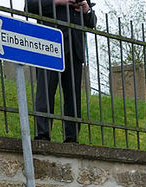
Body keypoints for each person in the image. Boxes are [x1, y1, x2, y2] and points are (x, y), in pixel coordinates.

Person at [25, 0, 97, 143]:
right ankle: (42, 135)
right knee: (45, 91)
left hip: (75, 49)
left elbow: (92, 22)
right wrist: (58, 1)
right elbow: (30, 7)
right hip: (49, 46)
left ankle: (72, 138)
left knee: (73, 96)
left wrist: (86, 9)